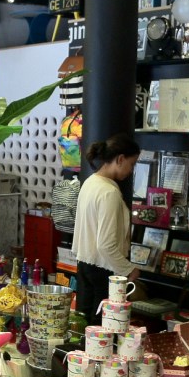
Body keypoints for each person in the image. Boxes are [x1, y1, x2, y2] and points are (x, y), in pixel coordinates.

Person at [71, 133, 141, 324]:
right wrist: (129, 269)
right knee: (102, 328)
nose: (131, 170)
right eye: (132, 164)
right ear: (120, 159)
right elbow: (106, 244)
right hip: (103, 268)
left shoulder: (90, 182)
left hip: (85, 262)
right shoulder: (109, 192)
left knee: (84, 323)